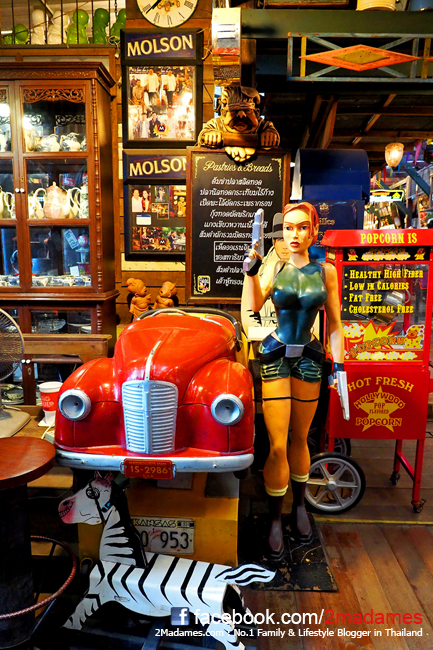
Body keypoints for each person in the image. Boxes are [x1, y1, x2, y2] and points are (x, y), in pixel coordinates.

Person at [244, 202, 345, 560]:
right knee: (276, 444)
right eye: (288, 227)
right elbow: (255, 304)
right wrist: (250, 272)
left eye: (302, 227)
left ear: (314, 231)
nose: (295, 234)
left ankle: (299, 507)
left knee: (300, 438)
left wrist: (340, 365)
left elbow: (335, 322)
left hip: (310, 357)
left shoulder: (326, 271)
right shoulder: (276, 267)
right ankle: (275, 518)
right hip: (276, 354)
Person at [198, 85, 280, 162]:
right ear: (224, 114)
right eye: (234, 111)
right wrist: (210, 135)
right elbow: (203, 136)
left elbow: (272, 134)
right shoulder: (216, 125)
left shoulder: (263, 126)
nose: (241, 115)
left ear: (256, 113)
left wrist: (269, 136)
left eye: (247, 110)